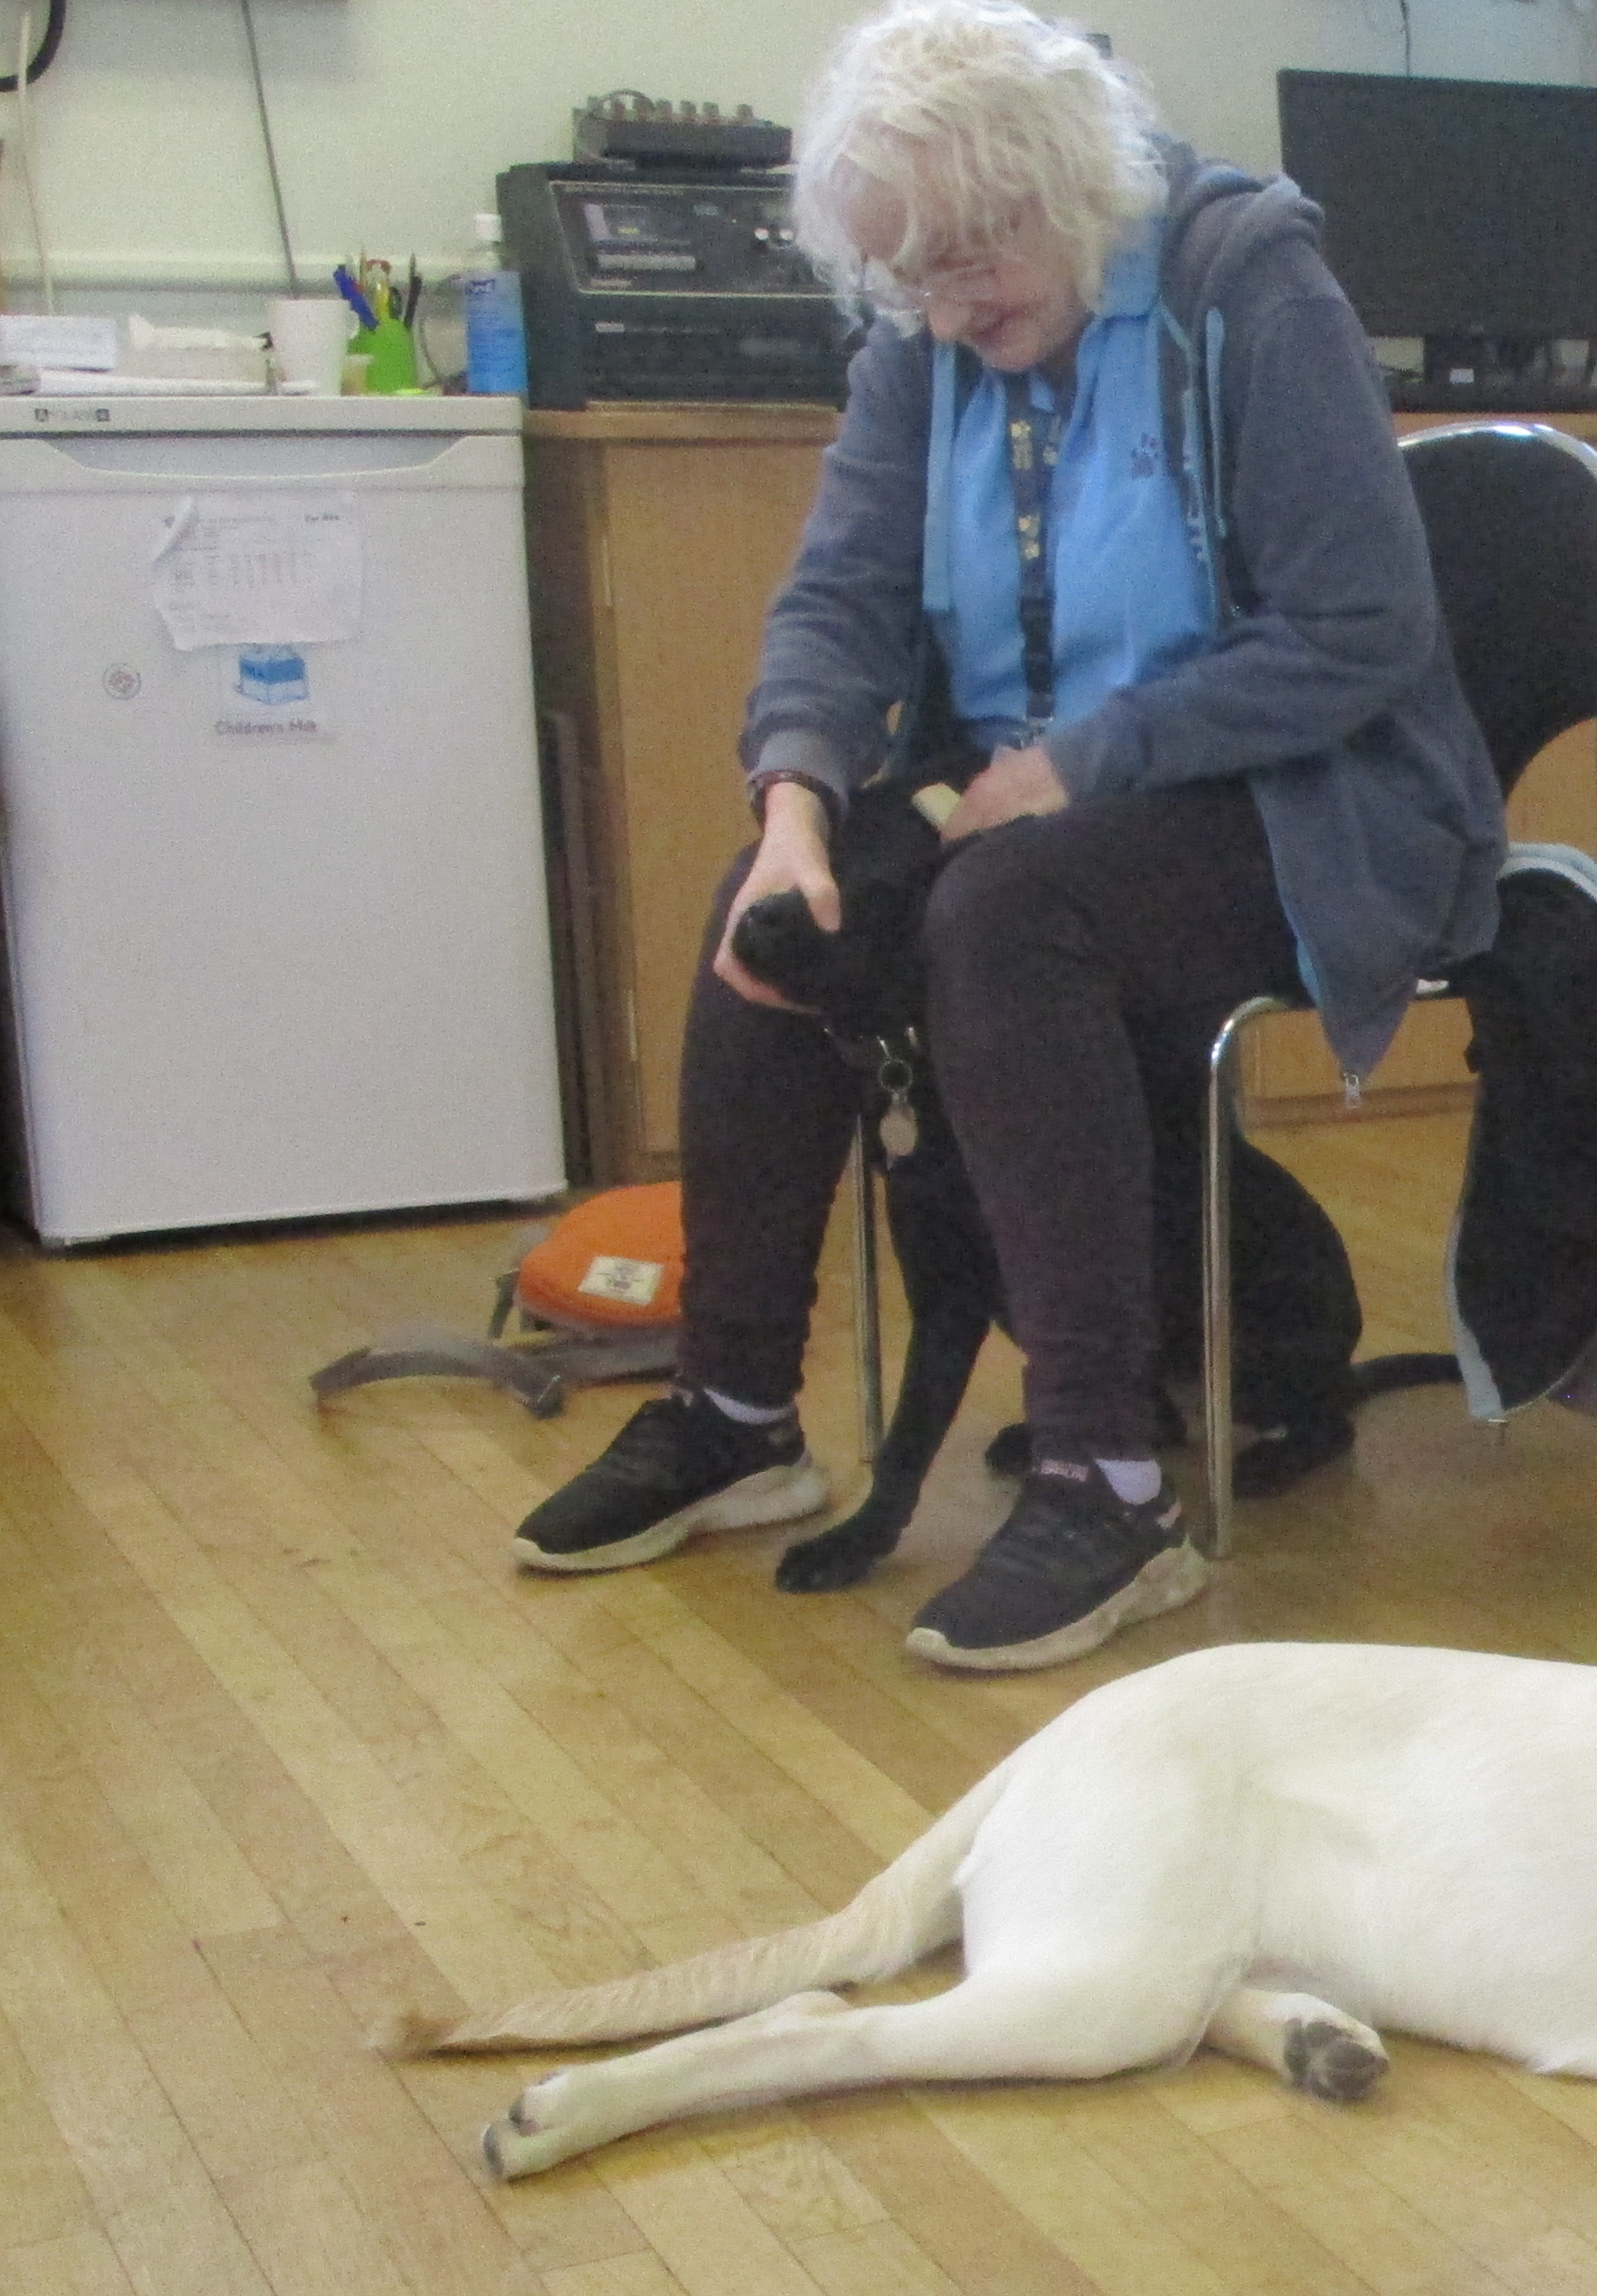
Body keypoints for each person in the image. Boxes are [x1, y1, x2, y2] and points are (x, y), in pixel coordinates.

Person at [510, 0, 1502, 1671]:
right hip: (1036, 807)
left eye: (972, 256)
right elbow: (838, 593)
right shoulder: (928, 338)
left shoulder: (1242, 285)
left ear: (1066, 178)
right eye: (911, 279)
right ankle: (738, 1409)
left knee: (1004, 916)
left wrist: (1091, 757)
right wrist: (796, 803)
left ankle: (1106, 1473)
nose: (951, 309)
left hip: (1297, 799)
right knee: (770, 916)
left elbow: (1359, 628)